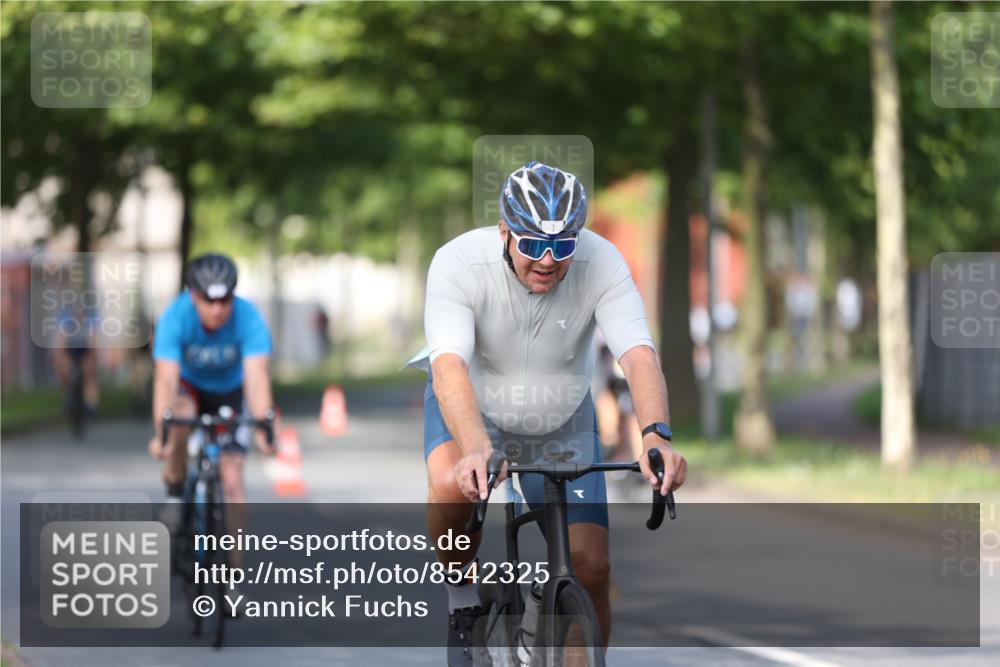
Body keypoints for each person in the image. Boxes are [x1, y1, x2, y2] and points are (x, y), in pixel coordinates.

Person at [411, 161, 687, 665]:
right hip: (471, 402)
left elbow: (638, 355)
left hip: (559, 413)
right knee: (452, 486)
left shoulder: (602, 262)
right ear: (503, 231)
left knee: (591, 566)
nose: (548, 260)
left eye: (562, 247)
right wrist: (476, 447)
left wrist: (655, 435)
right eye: (533, 244)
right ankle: (462, 599)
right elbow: (449, 367)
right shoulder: (457, 263)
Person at [147, 254, 276, 547]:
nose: (218, 310)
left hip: (229, 391)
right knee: (180, 413)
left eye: (225, 301)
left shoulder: (248, 317)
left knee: (232, 479)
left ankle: (232, 579)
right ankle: (176, 488)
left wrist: (263, 430)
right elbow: (165, 379)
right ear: (193, 295)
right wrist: (161, 435)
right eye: (209, 301)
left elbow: (257, 378)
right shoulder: (175, 317)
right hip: (188, 387)